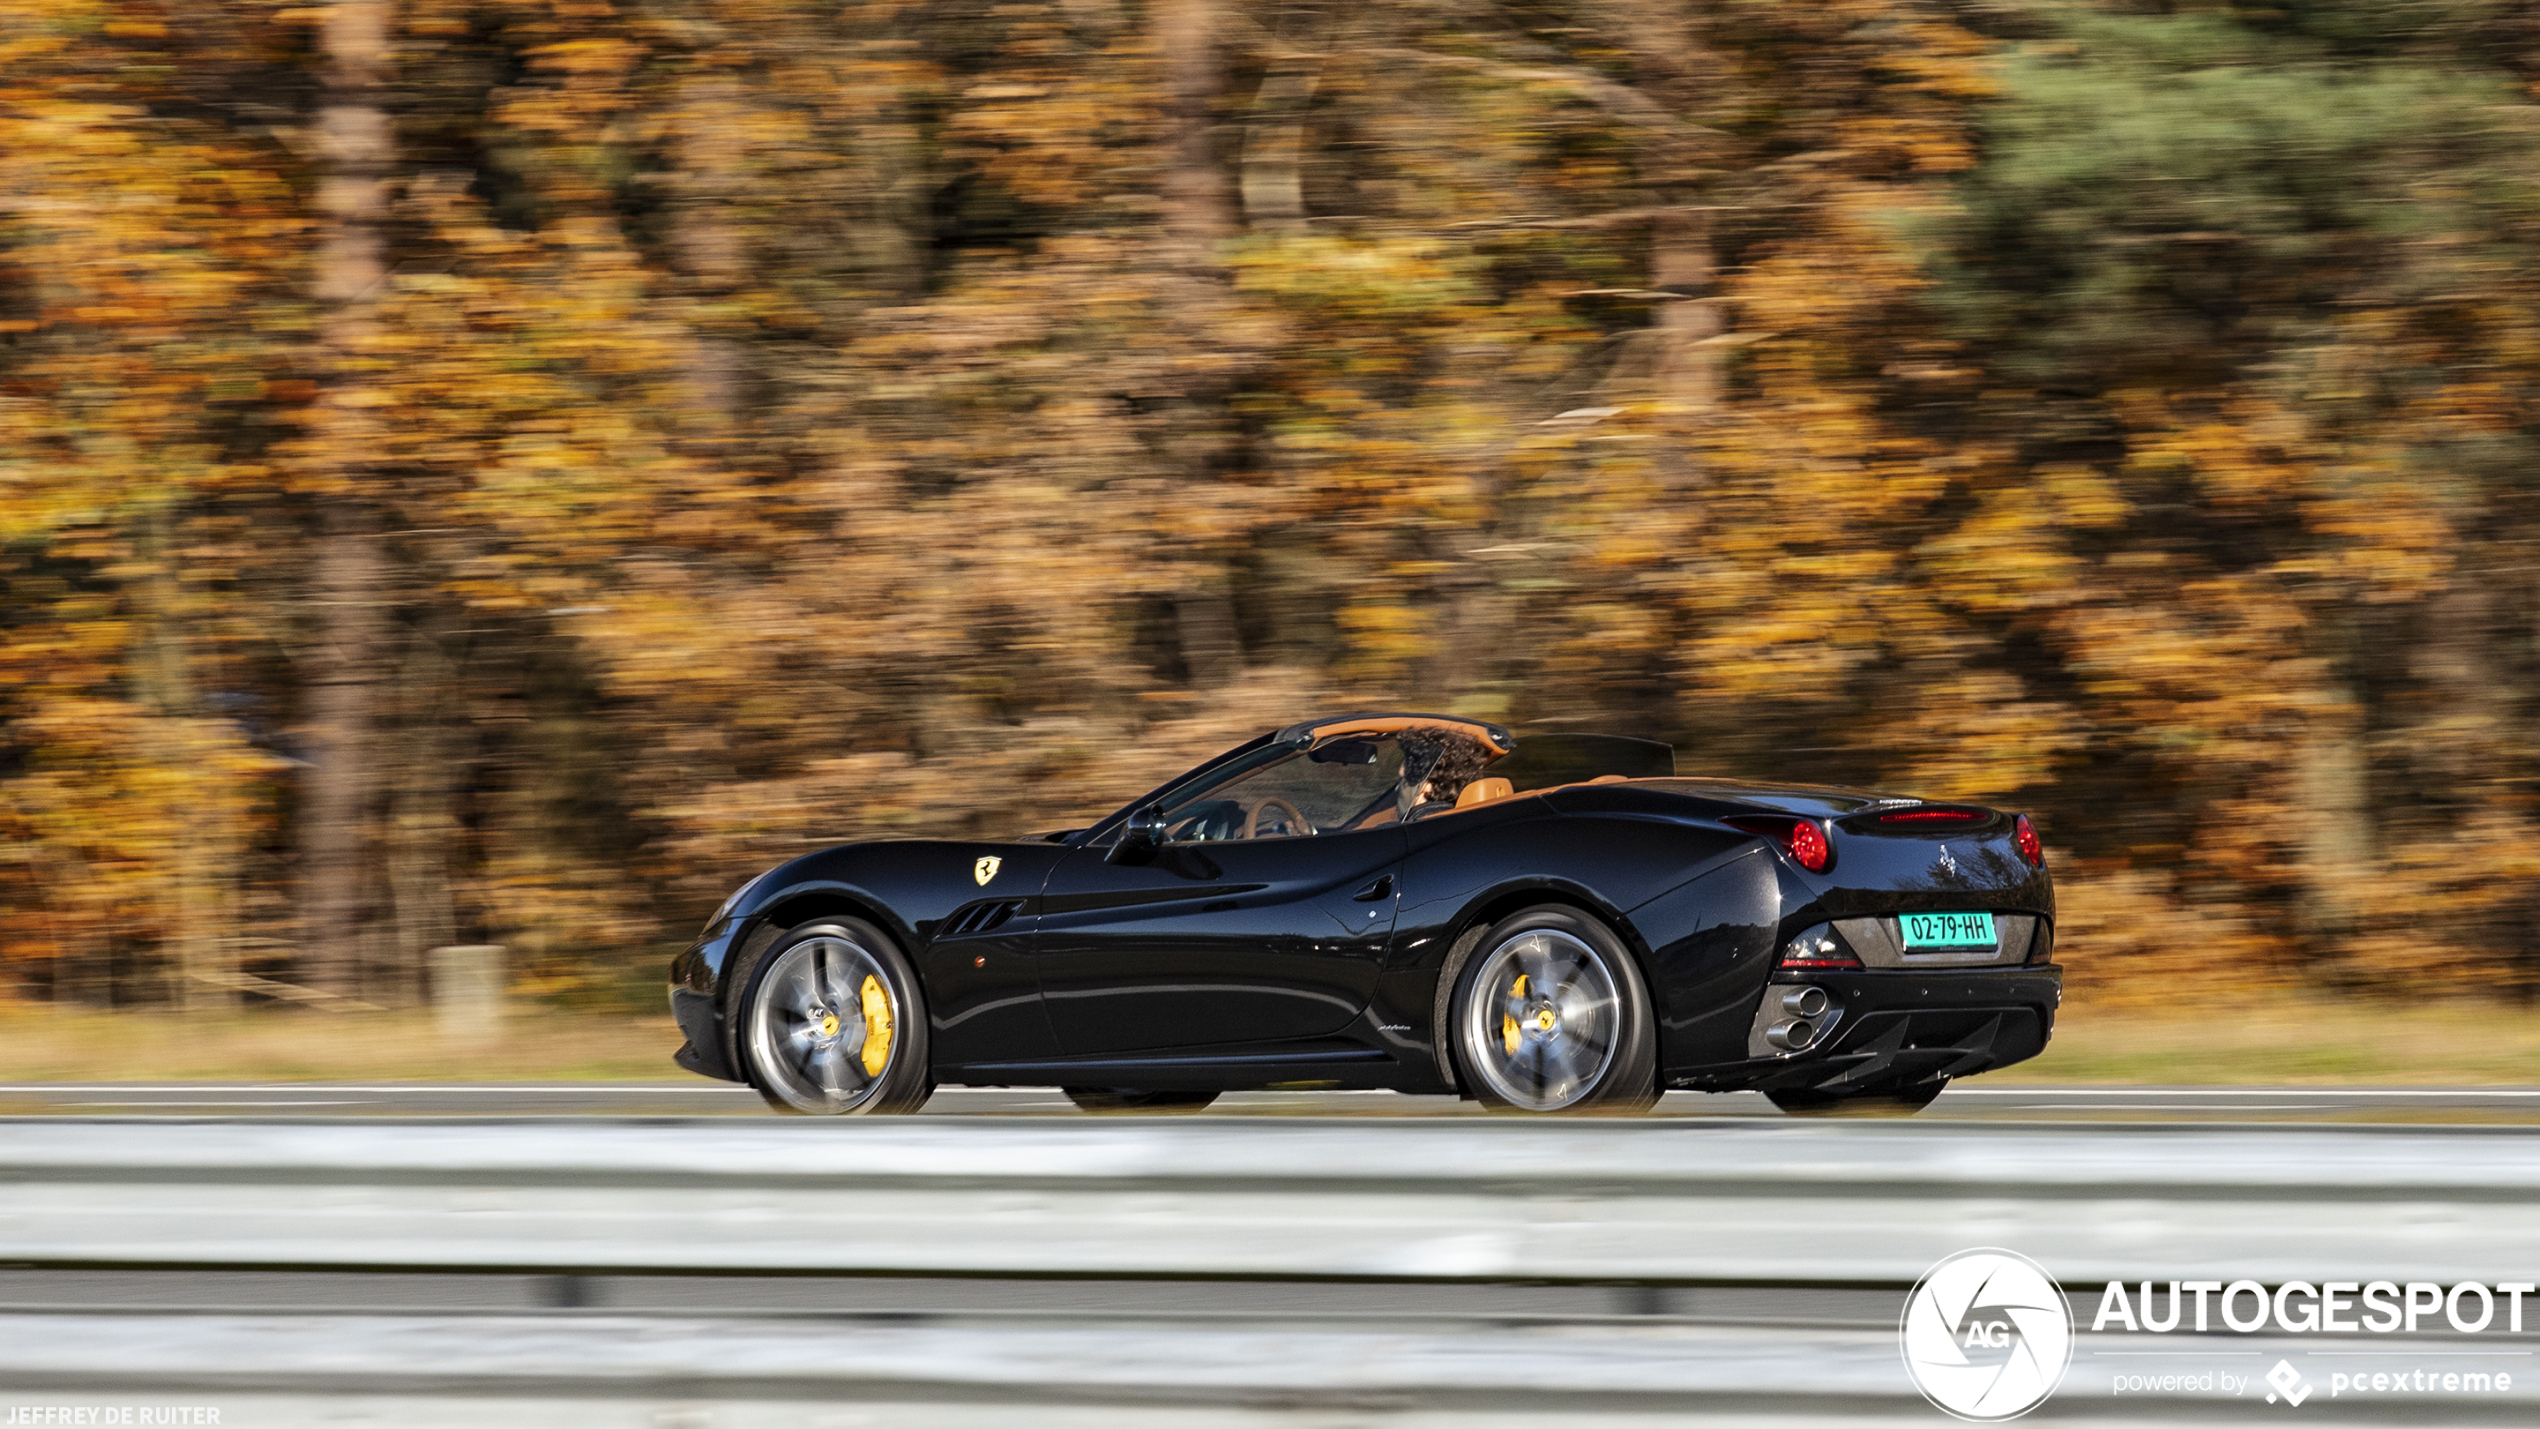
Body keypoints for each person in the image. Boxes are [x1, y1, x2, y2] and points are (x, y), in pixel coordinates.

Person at [1399, 729, 1495, 819]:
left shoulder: (1418, 827)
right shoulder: (1467, 820)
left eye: (1402, 780)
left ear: (1426, 785)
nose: (1397, 789)